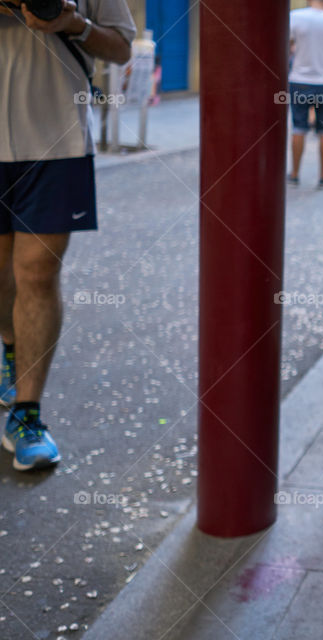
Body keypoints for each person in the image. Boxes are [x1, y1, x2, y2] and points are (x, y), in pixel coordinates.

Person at [0, 0, 135, 471]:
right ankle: (9, 348)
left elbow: (120, 48)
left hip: (58, 143)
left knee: (36, 274)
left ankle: (28, 413)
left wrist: (72, 23)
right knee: (3, 280)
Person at [288, 0, 323, 189]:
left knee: (299, 129)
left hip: (299, 80)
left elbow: (288, 46)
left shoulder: (295, 17)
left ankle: (295, 174)